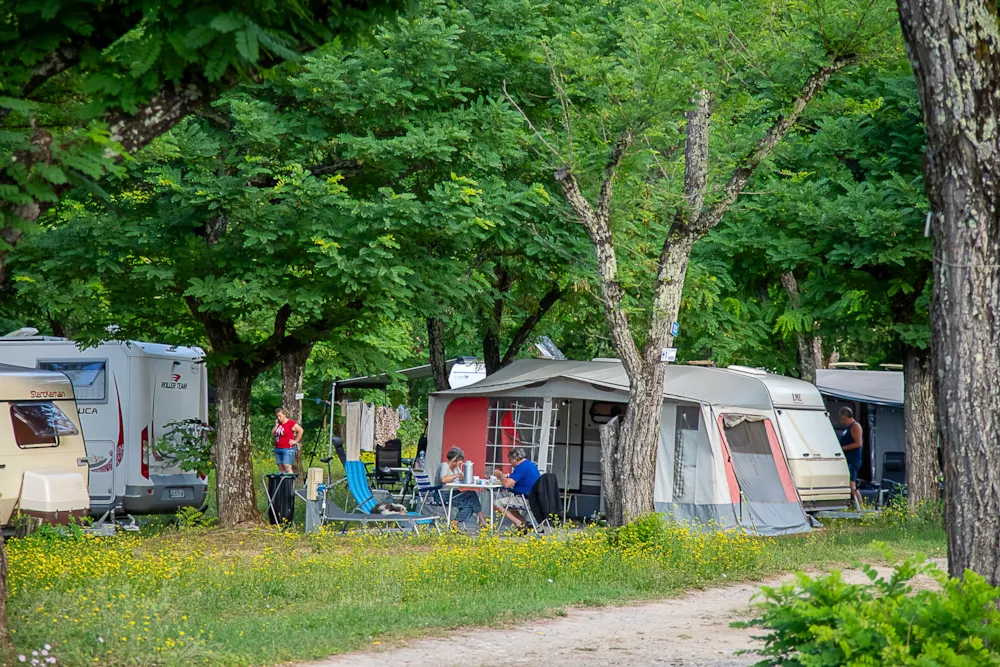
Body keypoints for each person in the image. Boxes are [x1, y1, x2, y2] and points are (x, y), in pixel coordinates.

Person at [438, 447, 488, 530]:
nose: (461, 462)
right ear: (454, 459)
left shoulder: (456, 468)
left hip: (454, 493)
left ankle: (456, 523)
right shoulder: (444, 465)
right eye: (460, 460)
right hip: (443, 494)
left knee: (470, 501)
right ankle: (482, 520)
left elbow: (463, 477)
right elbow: (443, 479)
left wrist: (465, 476)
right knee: (472, 496)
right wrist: (456, 476)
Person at [493, 446, 540, 529]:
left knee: (496, 504)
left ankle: (518, 523)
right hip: (534, 498)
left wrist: (499, 475)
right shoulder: (530, 465)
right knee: (510, 505)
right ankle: (525, 523)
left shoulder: (521, 467)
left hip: (526, 498)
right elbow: (517, 478)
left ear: (514, 459)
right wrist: (507, 476)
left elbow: (507, 484)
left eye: (510, 460)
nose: (510, 463)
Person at [838, 406, 863, 508]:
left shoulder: (855, 426)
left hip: (853, 460)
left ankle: (860, 506)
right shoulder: (848, 428)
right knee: (848, 483)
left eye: (841, 418)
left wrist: (842, 448)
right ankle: (854, 505)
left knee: (852, 484)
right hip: (847, 459)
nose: (841, 421)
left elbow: (858, 444)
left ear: (845, 417)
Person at [273, 408, 303, 474]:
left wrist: (296, 441)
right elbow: (273, 433)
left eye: (280, 416)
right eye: (277, 416)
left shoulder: (291, 423)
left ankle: (290, 483)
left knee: (287, 466)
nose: (278, 418)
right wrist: (276, 425)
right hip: (278, 448)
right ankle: (282, 483)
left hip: (287, 448)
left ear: (284, 414)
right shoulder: (278, 424)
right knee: (281, 467)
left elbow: (300, 430)